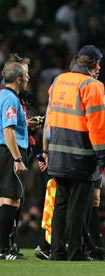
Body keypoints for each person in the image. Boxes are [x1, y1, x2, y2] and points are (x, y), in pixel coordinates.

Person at [44, 45, 105, 261]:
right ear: (92, 64)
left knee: (61, 206)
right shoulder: (92, 85)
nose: (99, 68)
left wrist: (45, 150)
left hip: (57, 154)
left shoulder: (58, 81)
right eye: (98, 63)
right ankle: (75, 252)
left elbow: (50, 117)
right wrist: (103, 156)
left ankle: (57, 251)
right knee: (77, 208)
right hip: (80, 156)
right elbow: (97, 125)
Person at [0, 62, 30, 260]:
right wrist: (17, 158)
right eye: (26, 76)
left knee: (3, 200)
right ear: (18, 79)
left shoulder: (2, 95)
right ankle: (3, 249)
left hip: (2, 150)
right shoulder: (11, 99)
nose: (28, 79)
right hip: (9, 151)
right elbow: (8, 130)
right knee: (12, 199)